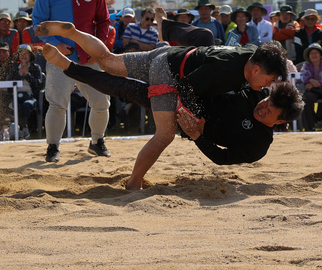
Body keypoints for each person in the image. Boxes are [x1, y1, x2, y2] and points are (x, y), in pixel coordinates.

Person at [36, 10, 287, 189]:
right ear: (256, 70)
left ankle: (75, 33)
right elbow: (186, 86)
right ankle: (134, 182)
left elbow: (205, 43)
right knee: (163, 133)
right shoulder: (225, 72)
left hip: (169, 53)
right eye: (268, 79)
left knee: (109, 61)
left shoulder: (250, 54)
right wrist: (192, 118)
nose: (267, 87)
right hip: (170, 73)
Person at [32, 0, 112, 163]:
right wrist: (56, 44)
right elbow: (38, 25)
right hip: (59, 58)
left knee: (102, 102)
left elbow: (104, 21)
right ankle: (53, 147)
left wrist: (99, 45)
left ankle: (97, 141)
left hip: (90, 57)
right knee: (57, 104)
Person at [7, 44, 44, 138]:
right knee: (10, 105)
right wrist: (20, 75)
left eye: (26, 53)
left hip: (31, 97)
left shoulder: (36, 68)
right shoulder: (14, 68)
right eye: (21, 54)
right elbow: (9, 86)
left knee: (27, 105)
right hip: (15, 96)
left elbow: (38, 86)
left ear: (30, 55)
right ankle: (12, 131)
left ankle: (22, 128)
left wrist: (27, 74)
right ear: (18, 56)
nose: (23, 56)